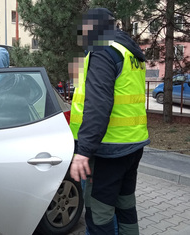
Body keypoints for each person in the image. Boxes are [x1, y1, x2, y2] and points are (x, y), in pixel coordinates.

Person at [69, 8, 150, 235]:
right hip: (132, 144)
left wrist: (83, 151)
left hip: (107, 150)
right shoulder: (130, 52)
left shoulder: (103, 51)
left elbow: (98, 107)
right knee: (125, 207)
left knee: (99, 214)